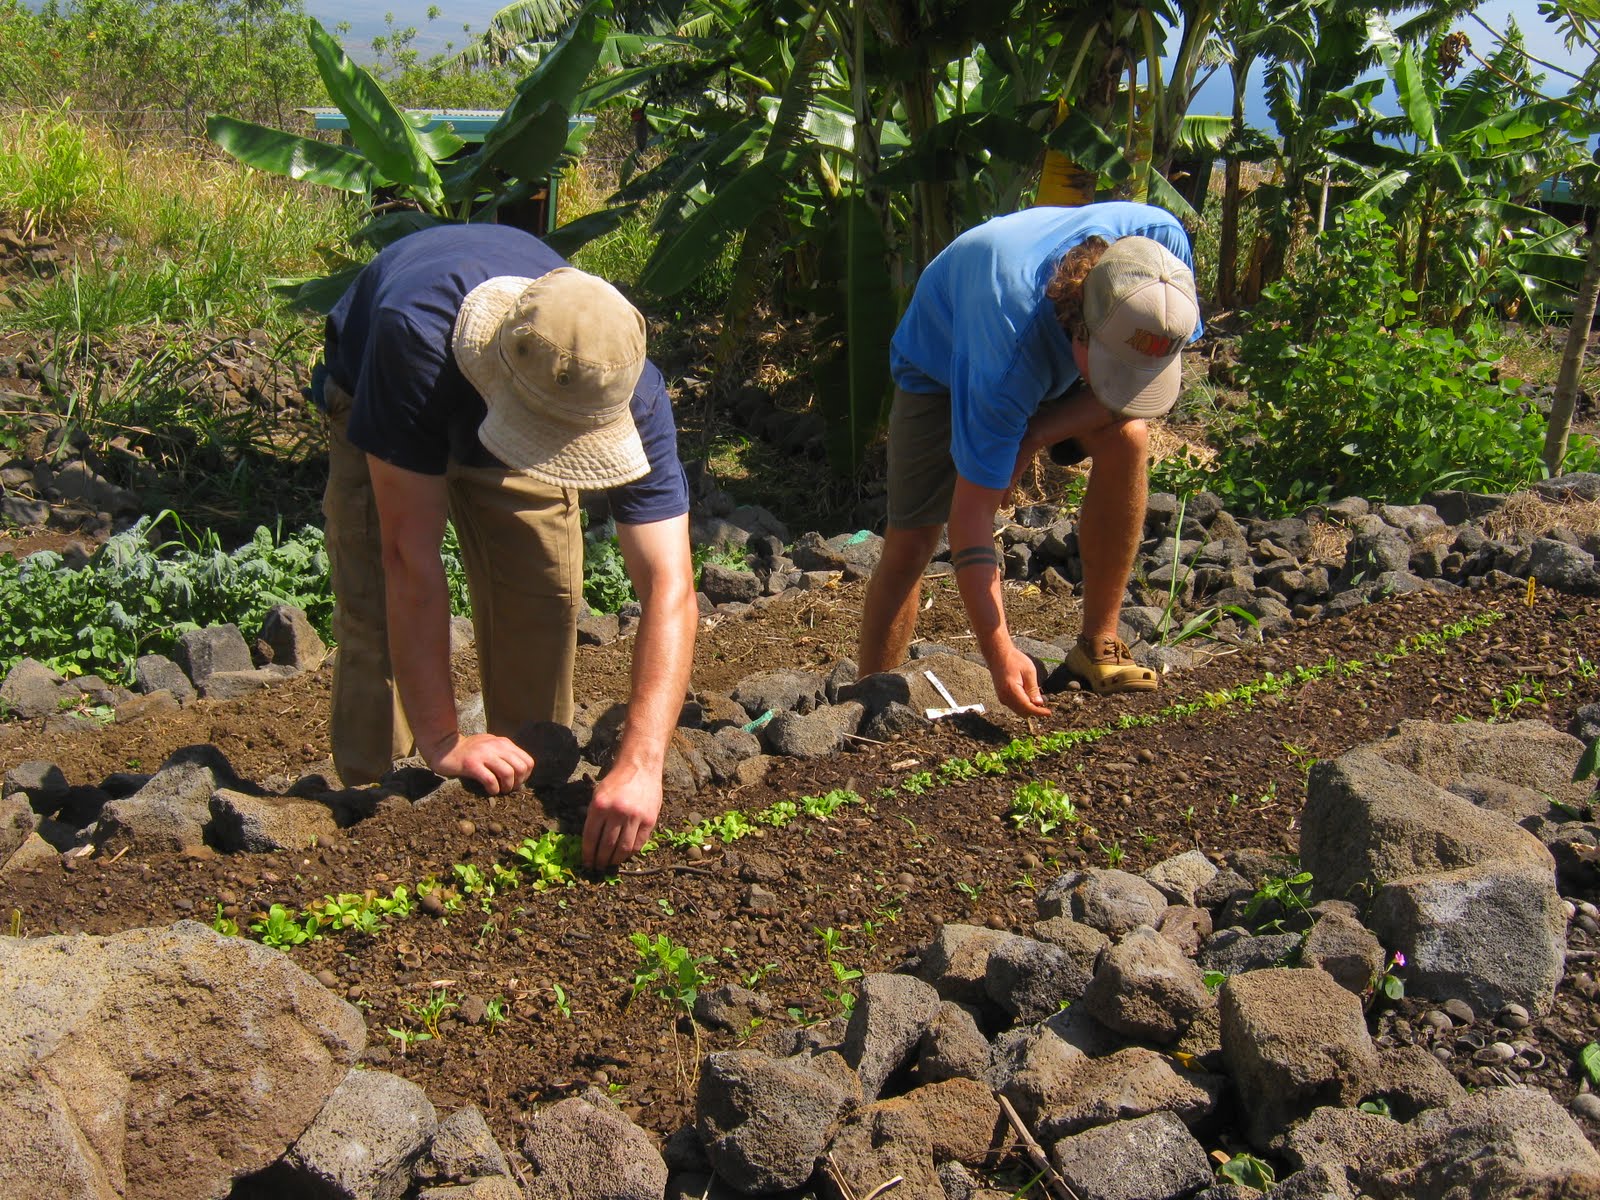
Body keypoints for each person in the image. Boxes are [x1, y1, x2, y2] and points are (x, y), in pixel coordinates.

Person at [318, 222, 697, 869]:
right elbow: (409, 557)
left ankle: (520, 793)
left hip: (533, 388)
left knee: (541, 599)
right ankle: (372, 825)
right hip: (386, 397)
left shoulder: (619, 383)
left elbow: (671, 586)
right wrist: (442, 739)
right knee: (377, 610)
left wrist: (640, 764)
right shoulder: (412, 338)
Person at [858, 201, 1201, 716]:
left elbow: (1122, 392)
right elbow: (971, 518)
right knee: (913, 540)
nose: (1123, 390)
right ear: (1079, 326)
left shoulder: (1161, 259)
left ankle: (1098, 645)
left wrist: (1036, 432)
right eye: (1114, 373)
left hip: (1036, 351)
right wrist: (1001, 653)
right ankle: (869, 699)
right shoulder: (1006, 357)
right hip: (943, 357)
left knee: (1130, 436)